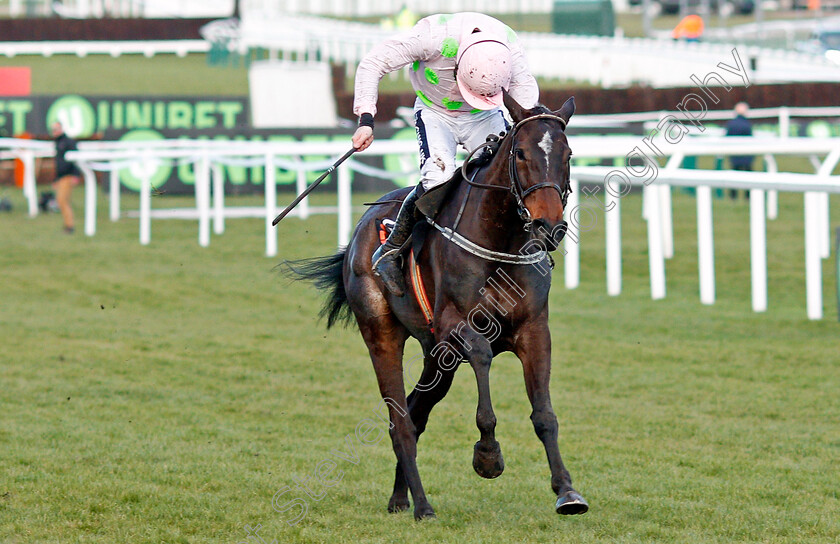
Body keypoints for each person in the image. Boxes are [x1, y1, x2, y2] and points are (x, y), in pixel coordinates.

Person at [352, 12, 539, 296]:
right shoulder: (432, 37)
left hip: (485, 113)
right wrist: (366, 119)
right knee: (437, 178)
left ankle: (522, 245)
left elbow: (525, 102)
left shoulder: (509, 49)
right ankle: (391, 251)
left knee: (509, 172)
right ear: (457, 67)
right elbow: (372, 63)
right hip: (434, 111)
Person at [50, 122, 82, 233]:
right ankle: (68, 225)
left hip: (68, 176)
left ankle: (70, 226)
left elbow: (76, 159)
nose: (55, 131)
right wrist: (56, 179)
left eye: (56, 129)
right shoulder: (58, 143)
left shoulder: (68, 142)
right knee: (62, 201)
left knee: (62, 201)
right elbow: (58, 164)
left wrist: (76, 175)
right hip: (61, 176)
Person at [725, 102, 754, 200]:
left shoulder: (731, 124)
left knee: (734, 175)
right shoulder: (747, 124)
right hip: (746, 155)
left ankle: (733, 196)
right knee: (749, 177)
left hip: (734, 155)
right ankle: (748, 196)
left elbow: (727, 138)